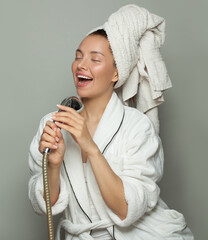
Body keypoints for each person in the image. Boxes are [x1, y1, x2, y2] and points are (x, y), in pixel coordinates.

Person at [28, 4, 194, 240]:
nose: (81, 65)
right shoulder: (53, 123)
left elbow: (127, 209)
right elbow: (44, 206)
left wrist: (91, 148)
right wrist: (53, 165)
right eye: (78, 57)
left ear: (117, 73)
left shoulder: (137, 127)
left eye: (95, 59)